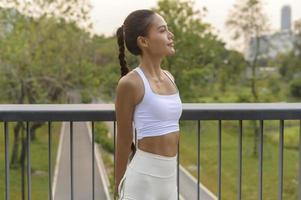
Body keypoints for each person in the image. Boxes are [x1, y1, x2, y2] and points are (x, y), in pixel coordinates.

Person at [114, 9, 183, 200]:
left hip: (169, 180)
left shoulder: (170, 77)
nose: (170, 35)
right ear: (143, 41)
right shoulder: (130, 83)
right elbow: (123, 140)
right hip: (143, 181)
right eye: (162, 30)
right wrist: (117, 187)